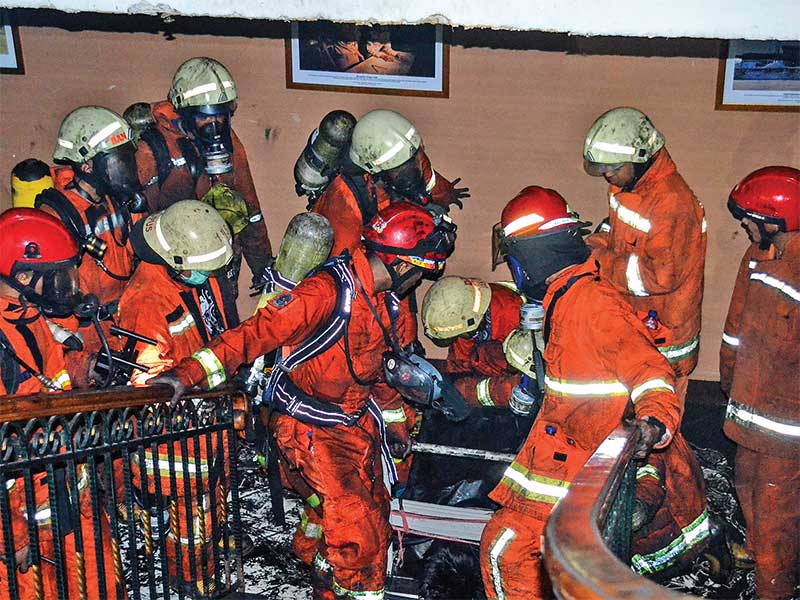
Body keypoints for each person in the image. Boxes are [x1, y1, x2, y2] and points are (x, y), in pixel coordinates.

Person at [150, 201, 453, 600]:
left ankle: (325, 583)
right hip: (309, 427)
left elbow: (384, 373)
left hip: (357, 425)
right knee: (356, 530)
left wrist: (395, 425)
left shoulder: (388, 308)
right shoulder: (325, 292)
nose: (417, 282)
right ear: (403, 265)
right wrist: (186, 374)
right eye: (420, 272)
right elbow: (254, 334)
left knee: (376, 517)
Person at [479, 186, 688, 600]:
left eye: (515, 257)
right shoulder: (566, 299)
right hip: (564, 464)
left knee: (506, 548)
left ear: (535, 256)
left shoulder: (592, 304)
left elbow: (651, 370)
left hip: (580, 469)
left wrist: (655, 420)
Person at [114, 199, 236, 596]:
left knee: (210, 501)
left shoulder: (196, 273)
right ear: (174, 258)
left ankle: (210, 557)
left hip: (205, 417)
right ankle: (190, 579)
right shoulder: (146, 300)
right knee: (190, 517)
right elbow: (149, 383)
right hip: (175, 434)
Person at [0, 208, 118, 600]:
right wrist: (12, 538)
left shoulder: (29, 317)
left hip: (66, 493)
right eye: (57, 276)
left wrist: (85, 368)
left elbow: (49, 378)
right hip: (25, 521)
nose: (67, 286)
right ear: (22, 277)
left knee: (99, 581)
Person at [583, 107, 706, 403]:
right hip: (633, 317)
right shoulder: (625, 185)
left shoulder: (673, 205)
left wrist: (599, 259)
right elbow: (618, 233)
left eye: (614, 166)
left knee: (658, 414)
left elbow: (660, 276)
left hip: (665, 333)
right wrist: (590, 243)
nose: (608, 174)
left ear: (642, 156)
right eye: (603, 167)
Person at [721, 166, 800, 600]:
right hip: (750, 415)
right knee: (746, 486)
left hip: (786, 432)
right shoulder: (758, 257)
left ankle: (776, 589)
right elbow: (736, 329)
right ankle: (758, 560)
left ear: (776, 218)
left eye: (750, 218)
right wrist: (729, 380)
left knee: (776, 519)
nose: (745, 226)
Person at [134, 57, 273, 297]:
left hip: (222, 264)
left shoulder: (229, 142)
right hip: (178, 272)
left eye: (220, 117)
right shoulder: (153, 150)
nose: (215, 126)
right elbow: (142, 222)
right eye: (205, 117)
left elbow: (249, 207)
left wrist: (262, 266)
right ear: (184, 113)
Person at [42, 105, 145, 386]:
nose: (126, 168)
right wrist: (83, 364)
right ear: (87, 166)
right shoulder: (58, 219)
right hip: (87, 339)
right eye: (117, 160)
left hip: (125, 331)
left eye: (127, 158)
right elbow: (52, 312)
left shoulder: (120, 202)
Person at [421, 275, 523, 408]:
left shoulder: (511, 312)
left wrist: (469, 392)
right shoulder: (466, 310)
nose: (460, 338)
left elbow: (522, 378)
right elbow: (460, 362)